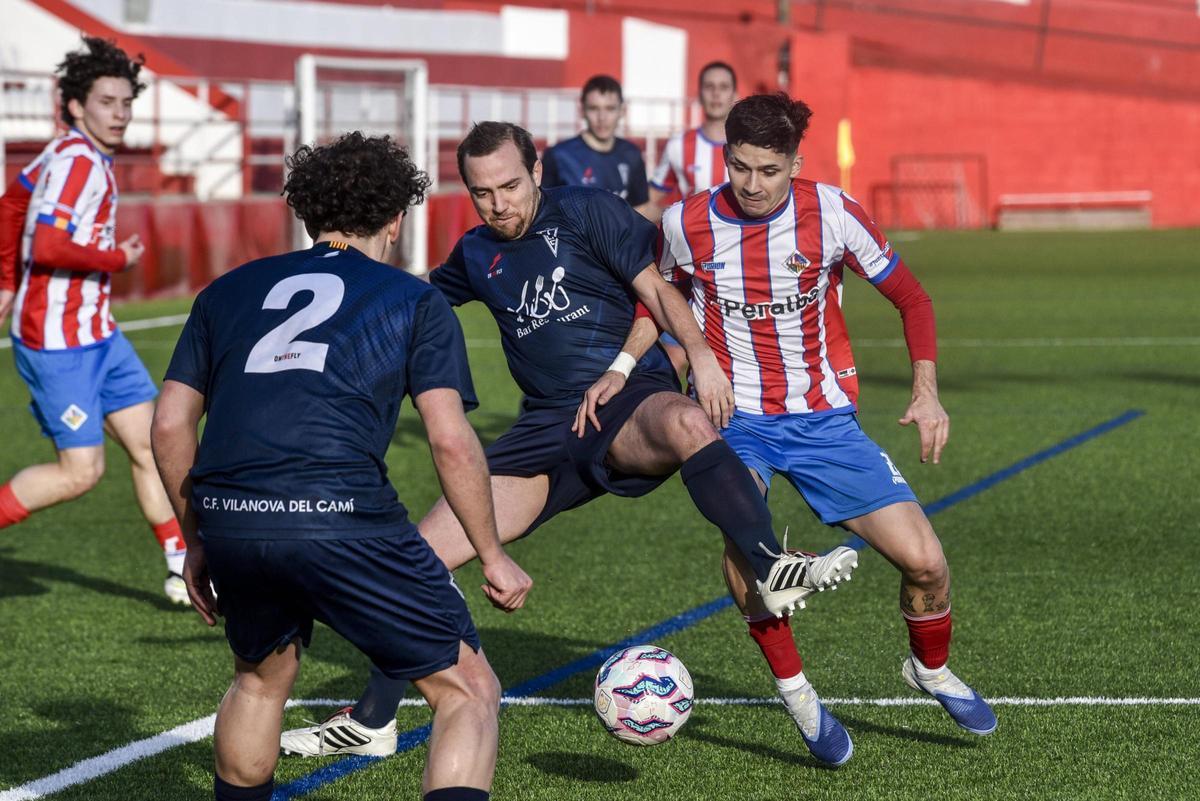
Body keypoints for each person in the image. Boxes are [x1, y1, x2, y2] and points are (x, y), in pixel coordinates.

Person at [277, 121, 858, 762]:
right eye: (482, 193)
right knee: (421, 557)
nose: (499, 204)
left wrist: (699, 355)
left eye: (510, 185)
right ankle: (373, 720)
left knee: (690, 423)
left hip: (628, 401)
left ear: (536, 172)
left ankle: (770, 562)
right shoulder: (475, 253)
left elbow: (659, 292)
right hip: (543, 432)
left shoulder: (586, 211)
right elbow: (407, 300)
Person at [151, 132, 531, 801]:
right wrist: (492, 552)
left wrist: (198, 533)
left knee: (260, 679)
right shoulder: (413, 300)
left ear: (305, 213)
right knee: (468, 691)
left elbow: (170, 423)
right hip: (341, 515)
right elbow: (450, 441)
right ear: (395, 218)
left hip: (237, 516)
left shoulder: (226, 292)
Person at [623, 92, 999, 762]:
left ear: (794, 162)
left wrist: (927, 390)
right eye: (741, 167)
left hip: (825, 419)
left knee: (927, 562)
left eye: (770, 170)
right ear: (726, 158)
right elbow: (660, 296)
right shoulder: (686, 222)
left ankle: (930, 669)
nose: (754, 184)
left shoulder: (831, 211)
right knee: (746, 549)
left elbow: (911, 295)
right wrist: (635, 364)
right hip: (731, 419)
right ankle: (800, 697)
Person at [0, 36, 188, 604]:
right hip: (57, 340)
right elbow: (53, 244)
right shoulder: (77, 163)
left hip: (97, 332)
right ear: (76, 105)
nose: (121, 114)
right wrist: (117, 260)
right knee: (80, 472)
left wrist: (6, 278)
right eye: (107, 102)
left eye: (127, 103)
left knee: (153, 444)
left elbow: (11, 203)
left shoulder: (64, 154)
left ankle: (183, 566)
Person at [539, 75, 654, 218]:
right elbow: (542, 211)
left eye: (610, 108)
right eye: (594, 108)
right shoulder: (558, 156)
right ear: (582, 111)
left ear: (622, 111)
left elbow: (641, 208)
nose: (602, 117)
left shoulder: (632, 154)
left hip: (618, 240)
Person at [646, 60, 738, 219]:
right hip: (691, 242)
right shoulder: (678, 145)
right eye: (709, 87)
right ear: (699, 94)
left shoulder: (749, 146)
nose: (716, 93)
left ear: (735, 95)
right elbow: (649, 200)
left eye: (723, 87)